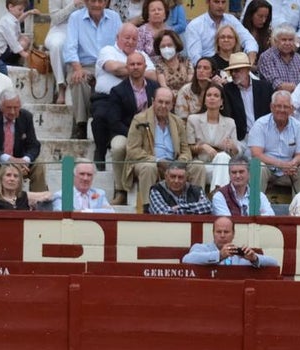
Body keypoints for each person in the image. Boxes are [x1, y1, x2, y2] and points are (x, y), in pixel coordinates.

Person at [126, 87, 206, 211]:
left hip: (174, 163)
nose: (163, 106)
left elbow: (185, 150)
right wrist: (157, 161)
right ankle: (148, 208)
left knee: (198, 166)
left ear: (172, 104)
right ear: (153, 101)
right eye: (160, 101)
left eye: (167, 103)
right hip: (150, 162)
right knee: (149, 167)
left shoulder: (177, 121)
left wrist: (179, 163)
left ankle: (194, 205)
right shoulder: (140, 119)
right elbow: (133, 150)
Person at [99, 51, 158, 201]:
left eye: (139, 64)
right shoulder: (117, 91)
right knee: (118, 147)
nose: (136, 67)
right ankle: (120, 190)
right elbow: (114, 121)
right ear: (127, 67)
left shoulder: (154, 87)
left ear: (145, 66)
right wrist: (133, 135)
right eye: (132, 64)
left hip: (153, 131)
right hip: (124, 131)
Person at [63, 0, 123, 139]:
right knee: (78, 80)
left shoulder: (114, 17)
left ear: (106, 2)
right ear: (85, 1)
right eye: (92, 0)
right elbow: (70, 48)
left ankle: (115, 125)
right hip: (84, 64)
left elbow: (120, 45)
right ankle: (81, 125)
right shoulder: (75, 17)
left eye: (100, 1)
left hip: (108, 64)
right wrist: (78, 69)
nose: (96, 4)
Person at [0, 89, 42, 199]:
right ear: (1, 107)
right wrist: (8, 159)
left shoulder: (26, 117)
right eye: (8, 108)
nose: (12, 112)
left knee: (40, 163)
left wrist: (25, 160)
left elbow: (34, 145)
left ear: (20, 106)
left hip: (20, 161)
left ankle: (40, 203)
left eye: (15, 108)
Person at [247, 90, 300, 194]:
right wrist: (281, 164)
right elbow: (256, 154)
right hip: (267, 168)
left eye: (285, 107)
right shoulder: (261, 124)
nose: (282, 110)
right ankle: (255, 207)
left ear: (291, 109)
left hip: (288, 171)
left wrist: (292, 163)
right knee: (259, 166)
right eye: (278, 106)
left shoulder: (299, 127)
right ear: (271, 107)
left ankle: (299, 208)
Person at [188, 83, 239, 189]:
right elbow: (188, 148)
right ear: (205, 100)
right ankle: (220, 196)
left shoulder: (230, 123)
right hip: (201, 164)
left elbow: (236, 153)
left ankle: (217, 194)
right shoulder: (193, 119)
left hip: (222, 167)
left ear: (221, 102)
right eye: (209, 95)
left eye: (216, 96)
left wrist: (232, 147)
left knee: (223, 157)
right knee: (222, 158)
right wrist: (202, 147)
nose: (212, 98)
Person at [182, 216, 279, 267]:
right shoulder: (201, 248)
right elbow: (187, 260)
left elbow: (274, 263)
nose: (222, 235)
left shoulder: (240, 254)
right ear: (213, 233)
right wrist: (219, 255)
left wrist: (254, 258)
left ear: (233, 234)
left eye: (226, 232)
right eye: (219, 232)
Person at [183, 0, 258, 65]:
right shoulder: (195, 26)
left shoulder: (232, 20)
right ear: (208, 2)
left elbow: (249, 40)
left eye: (223, 2)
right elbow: (195, 58)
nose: (220, 6)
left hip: (233, 66)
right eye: (216, 2)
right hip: (207, 70)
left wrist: (250, 60)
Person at [211, 156, 276, 215]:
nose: (238, 176)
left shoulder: (259, 195)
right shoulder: (220, 196)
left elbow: (270, 215)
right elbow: (227, 221)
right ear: (229, 174)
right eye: (234, 172)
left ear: (249, 173)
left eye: (241, 172)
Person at [256, 25, 300, 94]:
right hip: (275, 99)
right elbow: (276, 84)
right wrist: (298, 88)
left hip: (299, 98)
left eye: (290, 40)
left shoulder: (299, 58)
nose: (287, 43)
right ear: (276, 41)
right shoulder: (267, 57)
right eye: (284, 40)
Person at [146, 159, 214, 214]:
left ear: (186, 178)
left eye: (180, 177)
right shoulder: (157, 189)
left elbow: (208, 207)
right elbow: (163, 213)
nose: (176, 181)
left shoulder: (196, 190)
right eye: (173, 177)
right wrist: (194, 209)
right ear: (166, 177)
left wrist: (179, 207)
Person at [48, 158, 116, 211]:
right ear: (74, 175)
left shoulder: (99, 194)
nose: (85, 178)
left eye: (89, 175)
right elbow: (61, 213)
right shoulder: (61, 196)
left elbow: (110, 212)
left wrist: (84, 211)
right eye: (82, 174)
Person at [0, 0, 36, 67]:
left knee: (25, 40)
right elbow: (12, 41)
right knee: (23, 42)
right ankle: (9, 62)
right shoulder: (7, 22)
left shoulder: (11, 19)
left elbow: (18, 21)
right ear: (10, 7)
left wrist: (28, 13)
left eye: (23, 10)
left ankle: (13, 61)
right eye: (20, 9)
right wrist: (23, 53)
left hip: (8, 49)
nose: (22, 12)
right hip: (2, 53)